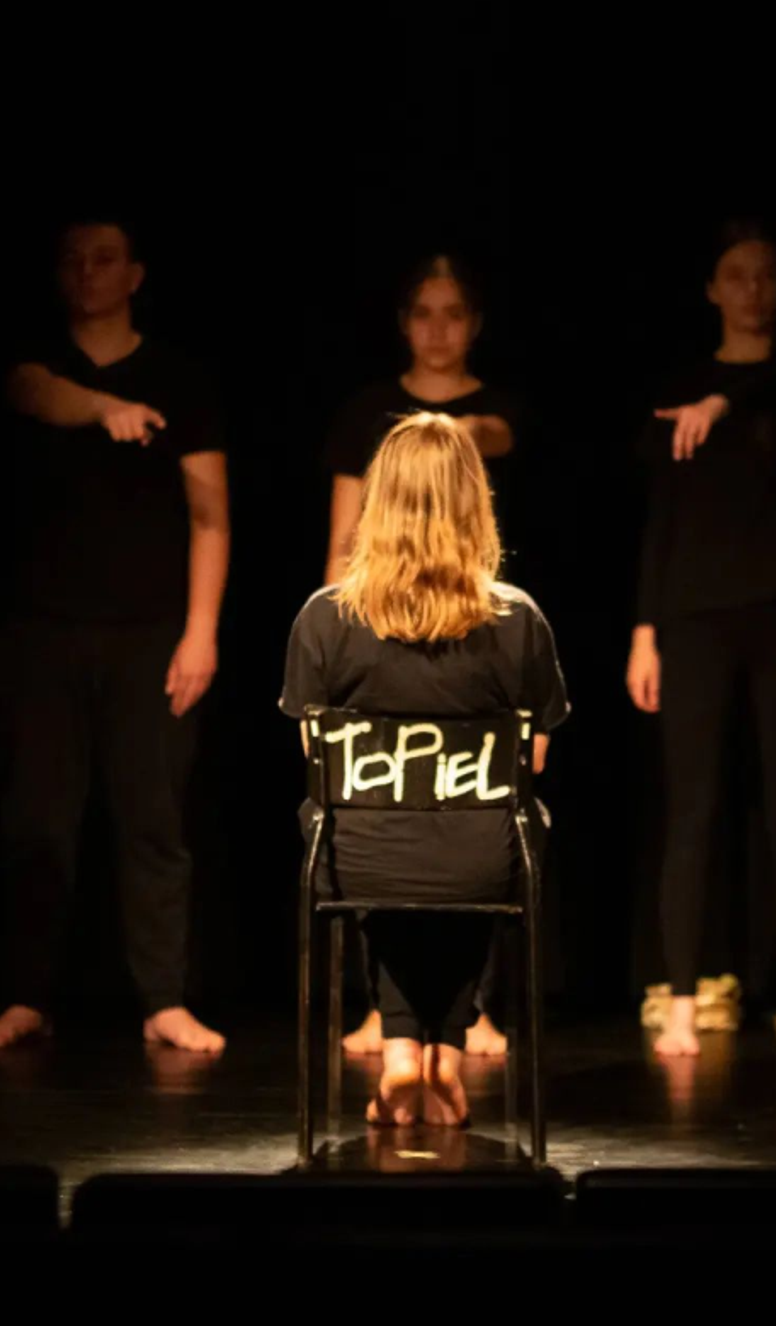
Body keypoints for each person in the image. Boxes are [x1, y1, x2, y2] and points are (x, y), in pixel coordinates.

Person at [0, 215, 229, 1054]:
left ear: (135, 275)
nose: (88, 272)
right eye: (74, 259)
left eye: (105, 258)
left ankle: (164, 999)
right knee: (36, 821)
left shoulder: (179, 377)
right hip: (40, 632)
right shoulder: (36, 364)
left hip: (149, 634)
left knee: (153, 819)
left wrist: (201, 633)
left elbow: (210, 516)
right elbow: (31, 391)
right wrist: (106, 408)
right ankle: (26, 995)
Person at [281, 412, 568, 1125]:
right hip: (483, 860)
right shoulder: (518, 619)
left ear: (377, 500)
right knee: (481, 835)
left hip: (358, 861)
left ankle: (404, 1048)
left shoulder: (323, 617)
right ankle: (443, 1049)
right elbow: (529, 761)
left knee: (384, 838)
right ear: (475, 502)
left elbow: (319, 760)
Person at [625, 220, 776, 1059]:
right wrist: (644, 631)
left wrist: (727, 403)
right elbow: (661, 518)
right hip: (695, 617)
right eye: (737, 274)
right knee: (693, 811)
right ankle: (681, 1000)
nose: (753, 289)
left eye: (767, 274)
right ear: (712, 289)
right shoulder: (679, 388)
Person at [325, 253, 521, 1057]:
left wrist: (444, 437)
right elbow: (343, 538)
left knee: (480, 822)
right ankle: (388, 1008)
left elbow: (496, 433)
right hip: (383, 632)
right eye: (423, 313)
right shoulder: (367, 413)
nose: (438, 329)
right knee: (376, 822)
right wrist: (335, 634)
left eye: (454, 313)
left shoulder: (492, 414)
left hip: (473, 636)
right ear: (404, 324)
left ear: (475, 325)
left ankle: (473, 1007)